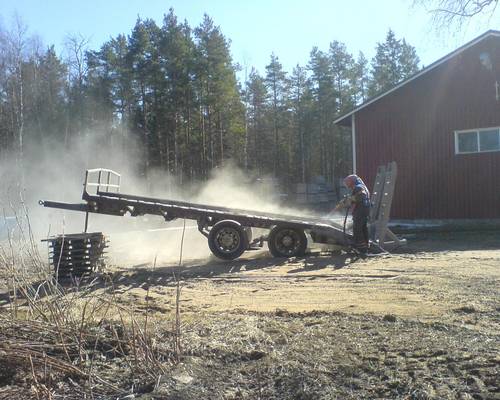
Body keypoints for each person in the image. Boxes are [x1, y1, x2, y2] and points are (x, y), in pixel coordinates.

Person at [336, 174, 371, 253]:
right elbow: (356, 197)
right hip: (365, 209)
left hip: (361, 210)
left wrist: (347, 201)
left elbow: (359, 197)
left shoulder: (358, 187)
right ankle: (366, 245)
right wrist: (348, 200)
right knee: (363, 228)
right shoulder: (361, 186)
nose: (347, 185)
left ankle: (361, 248)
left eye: (347, 182)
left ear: (351, 181)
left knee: (357, 228)